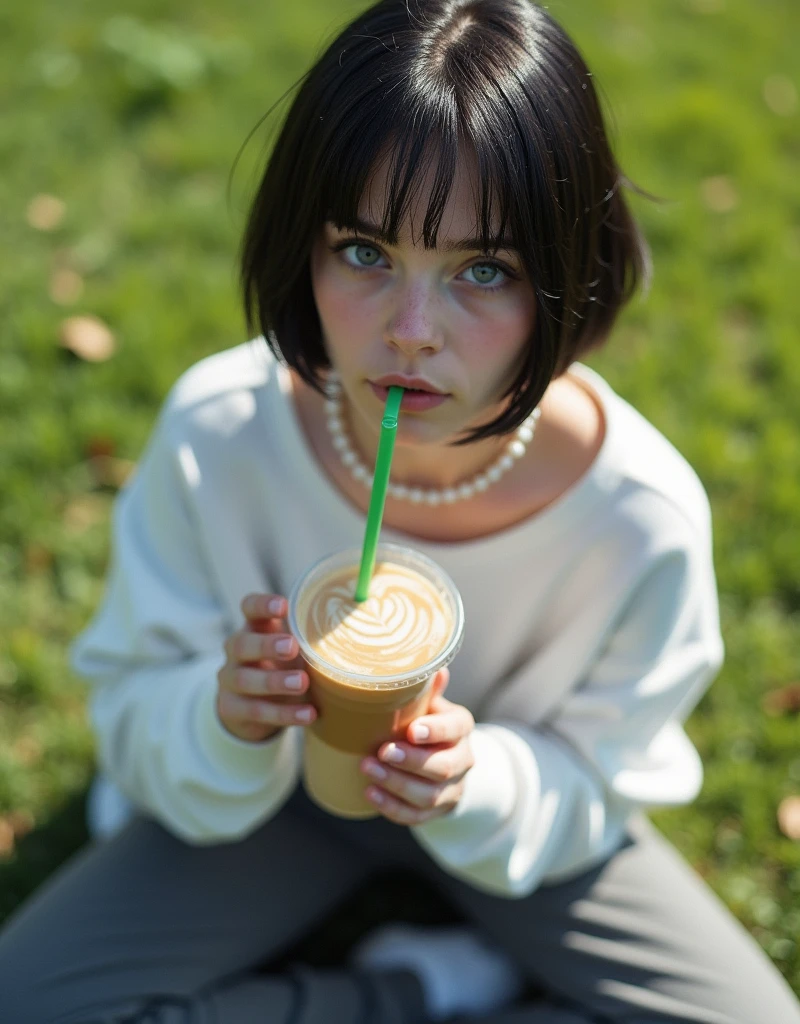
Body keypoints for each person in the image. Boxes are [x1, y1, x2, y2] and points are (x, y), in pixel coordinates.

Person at [1, 1, 798, 1021]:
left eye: (482, 270)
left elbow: (598, 778)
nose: (410, 333)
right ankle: (415, 987)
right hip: (276, 805)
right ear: (303, 245)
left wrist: (483, 778)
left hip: (515, 826)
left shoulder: (635, 516)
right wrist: (222, 717)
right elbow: (128, 701)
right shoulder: (221, 436)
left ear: (564, 277)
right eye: (365, 253)